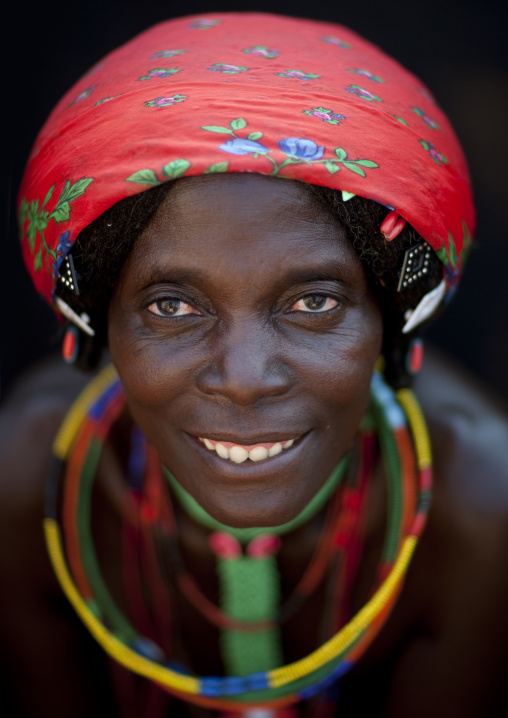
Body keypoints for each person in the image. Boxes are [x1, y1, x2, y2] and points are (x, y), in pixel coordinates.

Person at [1, 11, 507, 718]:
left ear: (395, 320)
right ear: (95, 323)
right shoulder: (27, 488)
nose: (243, 378)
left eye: (314, 303)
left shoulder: (477, 510)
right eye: (172, 308)